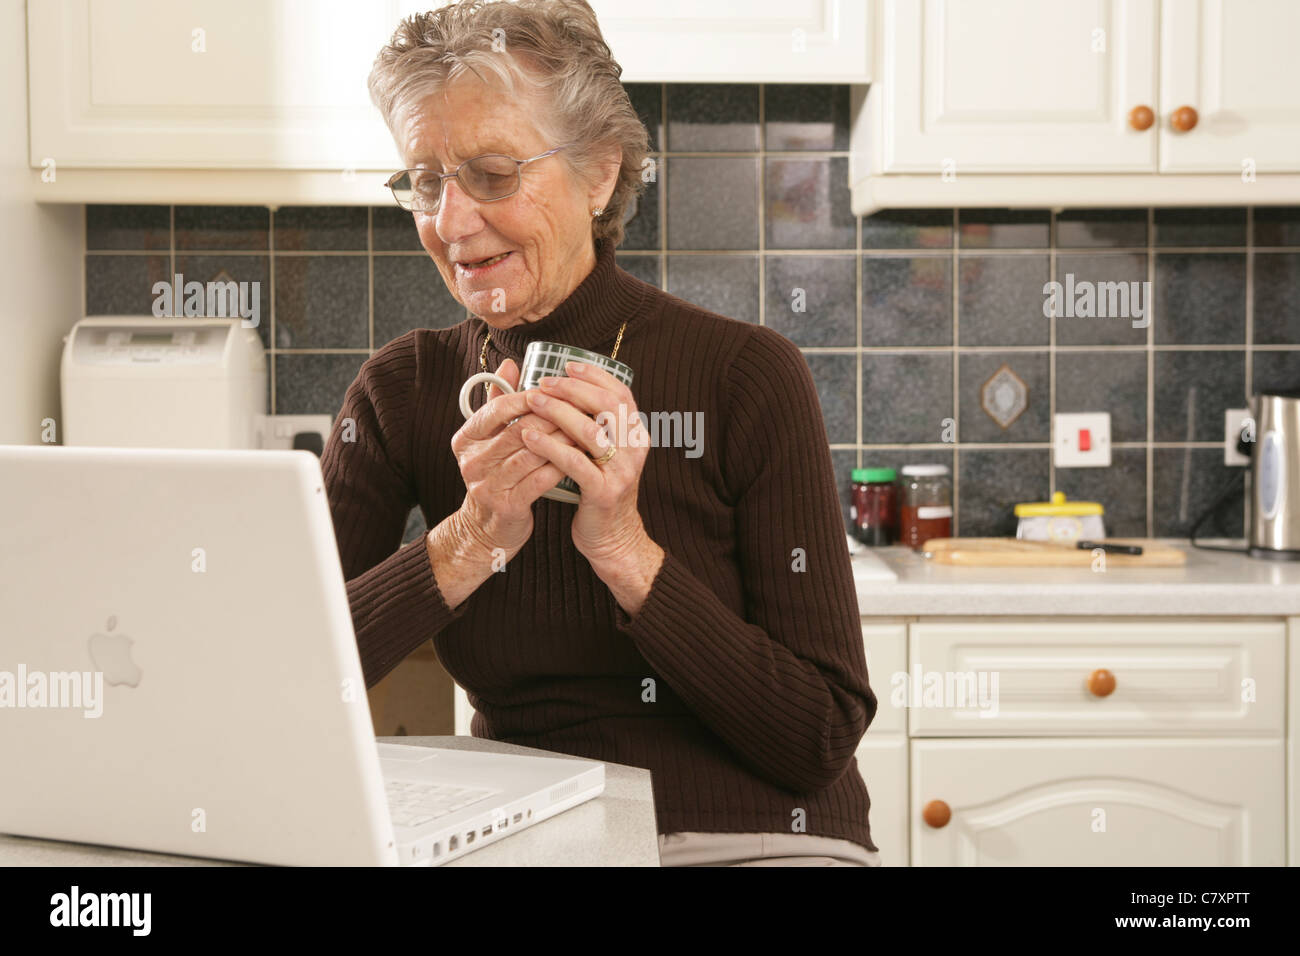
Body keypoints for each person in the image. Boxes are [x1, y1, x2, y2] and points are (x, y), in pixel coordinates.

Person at [322, 0, 880, 866]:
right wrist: (469, 540)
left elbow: (818, 735)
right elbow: (291, 682)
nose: (451, 221)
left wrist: (624, 549)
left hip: (754, 838)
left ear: (599, 173)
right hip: (529, 835)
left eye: (494, 173)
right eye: (425, 181)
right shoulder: (403, 391)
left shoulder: (746, 375)